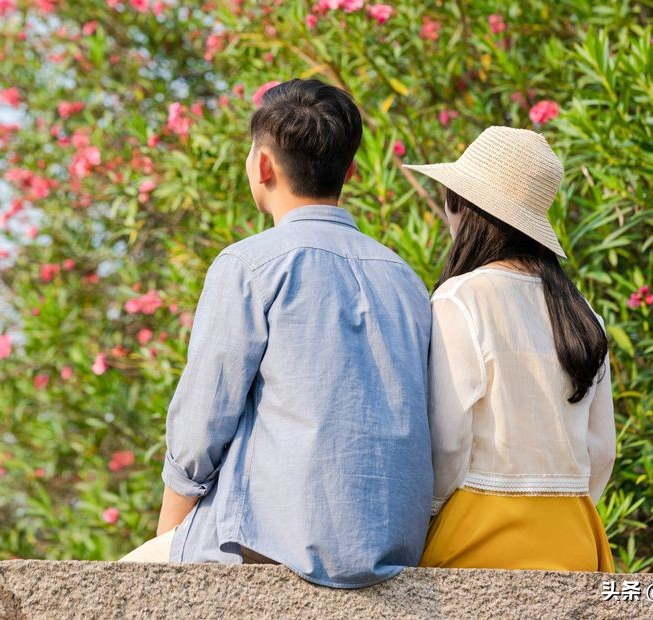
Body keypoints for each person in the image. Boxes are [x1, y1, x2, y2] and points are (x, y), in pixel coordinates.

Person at [120, 79, 434, 589]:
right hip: (393, 546)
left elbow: (203, 422)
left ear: (262, 166)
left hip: (269, 542)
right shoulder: (406, 280)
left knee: (118, 585)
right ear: (350, 171)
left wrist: (171, 535)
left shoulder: (250, 265)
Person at [404, 126, 616, 571]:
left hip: (479, 532)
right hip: (575, 534)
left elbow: (448, 442)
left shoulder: (459, 299)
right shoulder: (582, 313)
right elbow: (602, 450)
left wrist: (433, 514)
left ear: (461, 207)